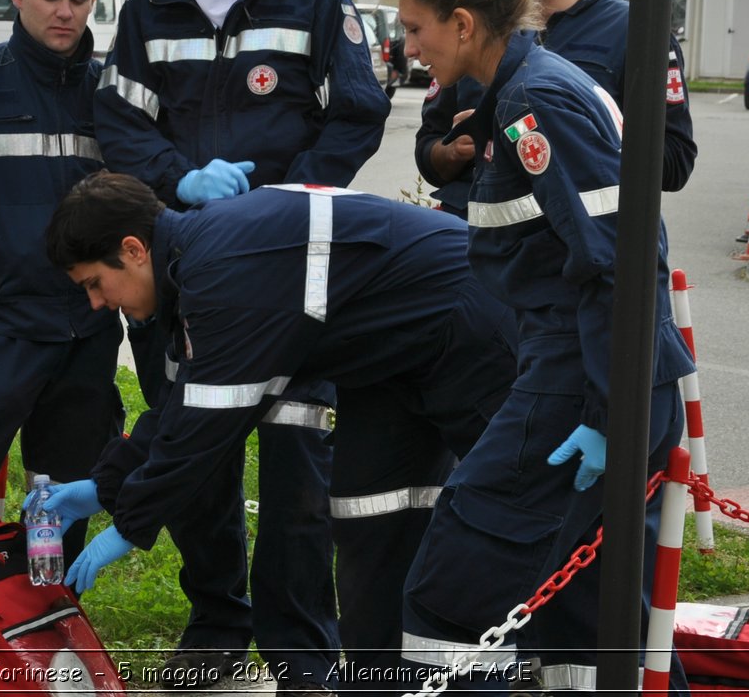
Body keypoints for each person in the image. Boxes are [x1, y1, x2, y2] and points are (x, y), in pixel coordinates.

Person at [93, 0, 391, 692]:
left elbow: (358, 112)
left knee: (299, 464)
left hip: (297, 264)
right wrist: (179, 180)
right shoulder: (151, 3)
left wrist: (284, 203)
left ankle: (302, 652)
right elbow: (120, 123)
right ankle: (217, 623)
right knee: (198, 447)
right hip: (185, 266)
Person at [40, 174, 516, 691]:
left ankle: (553, 662)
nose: (96, 303)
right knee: (369, 520)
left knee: (509, 518)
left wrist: (130, 524)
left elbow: (204, 432)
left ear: (132, 250)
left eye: (94, 283)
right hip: (394, 362)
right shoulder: (196, 269)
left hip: (468, 326)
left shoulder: (223, 272)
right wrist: (107, 486)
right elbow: (184, 408)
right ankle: (382, 684)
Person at [390, 0, 694, 690]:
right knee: (580, 610)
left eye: (416, 28)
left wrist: (605, 416)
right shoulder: (520, 92)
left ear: (462, 23)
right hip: (575, 370)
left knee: (449, 593)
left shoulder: (536, 104)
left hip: (581, 376)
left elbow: (618, 265)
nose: (409, 45)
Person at [0, 0, 125, 568]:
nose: (66, 12)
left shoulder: (112, 95)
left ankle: (46, 612)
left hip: (85, 330)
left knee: (60, 494)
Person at [416, 0, 697, 217]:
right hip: (470, 238)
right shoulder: (474, 25)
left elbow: (675, 161)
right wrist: (454, 150)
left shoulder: (634, 31)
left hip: (567, 249)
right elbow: (429, 147)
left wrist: (556, 133)